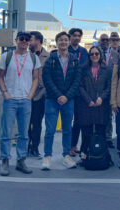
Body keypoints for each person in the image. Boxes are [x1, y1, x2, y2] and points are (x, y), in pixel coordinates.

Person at [0, 31, 40, 176]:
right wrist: (5, 93)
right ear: (16, 40)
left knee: (24, 134)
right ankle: (5, 160)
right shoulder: (6, 57)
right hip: (11, 100)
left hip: (25, 100)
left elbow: (35, 79)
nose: (24, 41)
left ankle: (21, 160)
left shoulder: (33, 58)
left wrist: (30, 96)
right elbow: (0, 76)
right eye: (22, 39)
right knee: (6, 132)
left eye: (27, 39)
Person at [42, 31, 81, 170]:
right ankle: (47, 156)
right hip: (52, 99)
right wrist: (59, 95)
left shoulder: (74, 59)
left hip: (68, 100)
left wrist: (67, 96)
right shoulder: (51, 59)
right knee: (50, 130)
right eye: (61, 40)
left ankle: (66, 155)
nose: (63, 42)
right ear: (57, 42)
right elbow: (46, 79)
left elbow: (77, 80)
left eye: (66, 40)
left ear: (69, 42)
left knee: (67, 129)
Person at [78, 46, 111, 163]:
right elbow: (80, 86)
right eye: (92, 54)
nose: (94, 56)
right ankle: (84, 156)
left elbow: (109, 87)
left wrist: (101, 98)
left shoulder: (106, 69)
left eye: (97, 54)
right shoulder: (83, 69)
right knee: (86, 133)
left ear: (100, 55)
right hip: (87, 106)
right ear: (89, 56)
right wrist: (88, 100)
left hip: (101, 106)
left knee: (101, 132)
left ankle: (102, 156)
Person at [27, 31, 50, 159]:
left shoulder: (48, 57)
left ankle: (35, 148)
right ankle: (27, 146)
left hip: (41, 95)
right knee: (25, 123)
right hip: (26, 93)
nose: (28, 42)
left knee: (37, 123)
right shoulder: (26, 55)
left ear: (38, 41)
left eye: (31, 39)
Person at [69, 28, 89, 157]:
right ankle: (70, 146)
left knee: (79, 121)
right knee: (68, 121)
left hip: (81, 91)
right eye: (74, 35)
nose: (76, 38)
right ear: (70, 37)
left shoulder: (84, 52)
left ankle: (79, 146)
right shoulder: (66, 50)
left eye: (78, 36)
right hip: (69, 90)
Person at [99, 33, 118, 148]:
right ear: (99, 41)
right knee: (97, 114)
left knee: (109, 115)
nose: (105, 42)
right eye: (103, 40)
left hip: (111, 88)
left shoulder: (116, 55)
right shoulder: (95, 53)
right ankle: (98, 137)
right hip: (98, 89)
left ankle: (108, 137)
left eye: (107, 40)